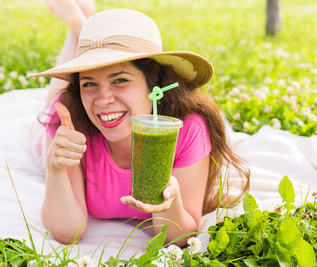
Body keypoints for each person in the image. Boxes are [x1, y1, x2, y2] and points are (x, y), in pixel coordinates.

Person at [28, 0, 250, 246]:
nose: (103, 99)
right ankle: (77, 25)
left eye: (120, 80)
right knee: (53, 98)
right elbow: (66, 232)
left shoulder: (187, 129)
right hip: (58, 123)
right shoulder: (69, 121)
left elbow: (177, 238)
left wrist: (170, 202)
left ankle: (81, 23)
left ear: (153, 84)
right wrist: (55, 166)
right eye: (88, 83)